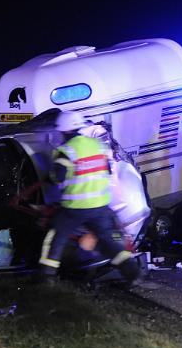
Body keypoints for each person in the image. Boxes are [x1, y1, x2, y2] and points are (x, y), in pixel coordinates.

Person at [38, 111, 139, 283]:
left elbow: (57, 178)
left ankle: (46, 278)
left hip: (75, 208)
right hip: (100, 206)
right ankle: (132, 273)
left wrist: (49, 176)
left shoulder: (67, 150)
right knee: (109, 241)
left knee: (55, 237)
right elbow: (107, 170)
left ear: (65, 131)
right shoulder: (97, 145)